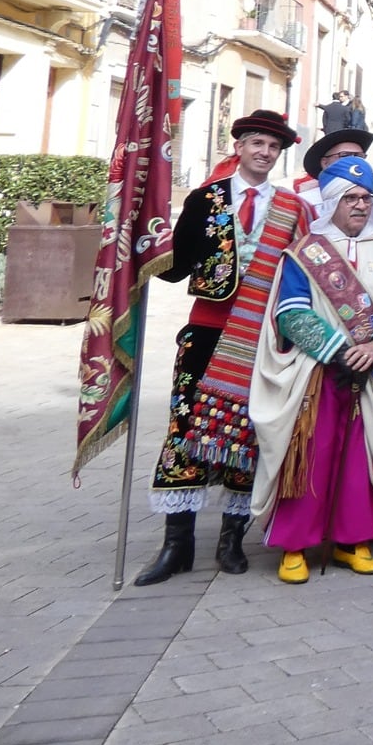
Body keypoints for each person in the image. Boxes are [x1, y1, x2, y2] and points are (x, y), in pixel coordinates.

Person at [138, 108, 311, 586]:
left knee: (250, 430)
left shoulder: (292, 208)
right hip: (208, 331)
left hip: (262, 334)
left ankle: (231, 541)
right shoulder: (205, 199)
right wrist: (137, 240)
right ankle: (177, 545)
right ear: (238, 147)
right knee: (185, 427)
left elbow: (304, 273)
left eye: (273, 147)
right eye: (257, 143)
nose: (265, 152)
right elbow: (175, 266)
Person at [249, 158, 373, 583]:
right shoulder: (304, 252)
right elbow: (290, 312)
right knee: (311, 456)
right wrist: (339, 350)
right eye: (350, 198)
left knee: (358, 460)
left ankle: (353, 540)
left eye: (366, 198)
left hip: (371, 373)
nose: (361, 206)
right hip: (316, 375)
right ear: (330, 203)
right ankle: (295, 546)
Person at [297, 124, 373, 219]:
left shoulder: (372, 202)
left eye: (359, 156)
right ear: (325, 163)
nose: (354, 161)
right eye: (345, 155)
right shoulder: (304, 203)